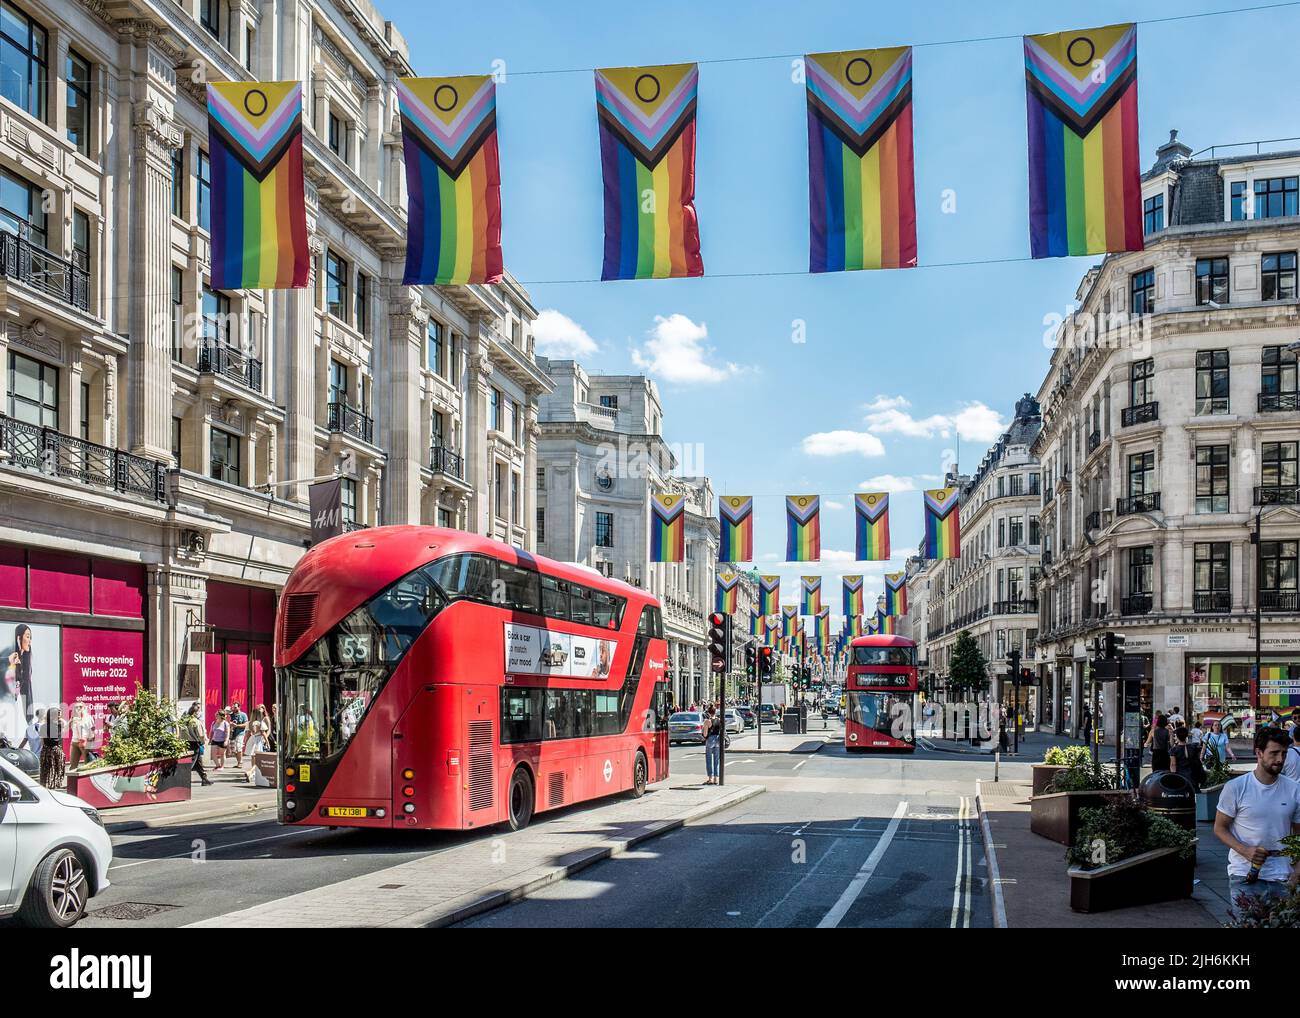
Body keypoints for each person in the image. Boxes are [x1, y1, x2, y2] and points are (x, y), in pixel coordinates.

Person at [1213, 727, 1300, 916]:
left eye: (1284, 753)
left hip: (1283, 877)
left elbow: (1299, 837)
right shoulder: (1236, 787)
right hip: (1245, 875)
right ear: (1259, 753)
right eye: (1274, 753)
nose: (1280, 759)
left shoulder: (1294, 790)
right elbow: (1220, 828)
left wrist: (1297, 872)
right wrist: (1245, 850)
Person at [181, 703, 212, 786]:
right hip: (194, 743)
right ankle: (182, 781)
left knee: (198, 762)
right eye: (198, 712)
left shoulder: (184, 720)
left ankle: (204, 778)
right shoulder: (195, 721)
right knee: (190, 763)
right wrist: (202, 742)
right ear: (195, 713)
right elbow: (200, 734)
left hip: (185, 742)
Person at [37, 706, 65, 789]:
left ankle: (48, 785)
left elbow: (42, 741)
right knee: (56, 768)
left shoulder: (44, 726)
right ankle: (55, 784)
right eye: (57, 714)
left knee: (47, 770)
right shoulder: (59, 725)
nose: (59, 716)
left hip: (47, 750)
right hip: (55, 749)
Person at [67, 703, 95, 771]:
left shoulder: (88, 718)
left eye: (80, 707)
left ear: (84, 708)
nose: (78, 708)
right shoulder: (74, 718)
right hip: (74, 742)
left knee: (87, 764)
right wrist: (70, 721)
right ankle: (72, 781)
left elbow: (92, 731)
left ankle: (87, 780)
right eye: (76, 707)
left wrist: (89, 743)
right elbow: (66, 729)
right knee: (73, 765)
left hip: (85, 743)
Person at [703, 706, 721, 785]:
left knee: (709, 759)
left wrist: (704, 735)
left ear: (709, 712)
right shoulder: (719, 720)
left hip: (710, 740)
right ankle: (716, 779)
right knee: (716, 760)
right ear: (715, 711)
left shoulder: (707, 721)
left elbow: (705, 734)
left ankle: (710, 778)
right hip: (717, 740)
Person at [229, 702, 248, 767]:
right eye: (233, 707)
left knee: (239, 747)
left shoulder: (243, 715)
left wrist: (236, 726)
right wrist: (230, 723)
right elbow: (226, 721)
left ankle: (240, 762)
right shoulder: (231, 715)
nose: (234, 708)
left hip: (240, 733)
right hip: (232, 734)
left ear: (239, 707)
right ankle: (238, 762)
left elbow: (245, 724)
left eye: (235, 707)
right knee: (233, 750)